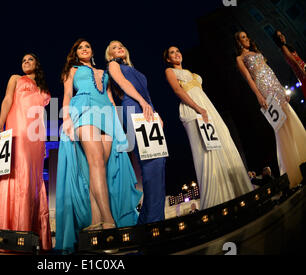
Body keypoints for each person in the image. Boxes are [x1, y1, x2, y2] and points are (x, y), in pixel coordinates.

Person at [56, 39, 142, 253]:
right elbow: (67, 95)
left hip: (107, 115)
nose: (85, 49)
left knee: (100, 170)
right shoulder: (72, 70)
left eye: (87, 46)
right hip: (83, 111)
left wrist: (118, 124)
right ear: (75, 53)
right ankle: (108, 221)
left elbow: (111, 98)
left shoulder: (103, 71)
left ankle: (95, 221)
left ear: (92, 51)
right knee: (95, 164)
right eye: (80, 47)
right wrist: (66, 118)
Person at [164, 46, 253, 210]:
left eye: (178, 51)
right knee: (205, 151)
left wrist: (205, 109)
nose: (176, 53)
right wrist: (198, 108)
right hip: (192, 110)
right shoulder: (170, 71)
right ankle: (216, 200)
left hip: (208, 109)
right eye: (172, 53)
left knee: (224, 141)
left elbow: (201, 93)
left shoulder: (193, 74)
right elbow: (178, 90)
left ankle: (235, 190)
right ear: (168, 59)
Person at [0, 53, 52, 251]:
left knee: (34, 178)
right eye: (23, 60)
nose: (26, 62)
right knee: (17, 173)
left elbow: (42, 115)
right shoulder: (15, 78)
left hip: (37, 136)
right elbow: (6, 100)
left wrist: (45, 141)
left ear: (37, 63)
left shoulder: (44, 87)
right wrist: (0, 124)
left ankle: (31, 232)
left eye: (30, 59)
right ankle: (12, 232)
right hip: (18, 128)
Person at [105, 40, 166, 224]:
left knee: (160, 161)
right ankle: (154, 223)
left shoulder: (132, 67)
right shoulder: (113, 65)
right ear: (110, 54)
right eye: (114, 48)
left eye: (121, 45)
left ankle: (147, 222)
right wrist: (143, 103)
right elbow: (123, 84)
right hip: (134, 107)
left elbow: (146, 92)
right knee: (150, 162)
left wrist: (155, 113)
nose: (119, 48)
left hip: (147, 109)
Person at [235, 31, 306, 188]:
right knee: (281, 125)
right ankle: (292, 169)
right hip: (263, 88)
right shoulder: (240, 59)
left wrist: (280, 86)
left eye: (247, 36)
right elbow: (248, 78)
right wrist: (259, 96)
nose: (247, 39)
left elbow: (269, 69)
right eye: (243, 37)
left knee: (290, 117)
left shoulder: (256, 52)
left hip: (274, 84)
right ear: (239, 42)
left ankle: (303, 158)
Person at [273, 30, 306, 99]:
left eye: (281, 34)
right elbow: (294, 61)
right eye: (279, 36)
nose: (282, 36)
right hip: (301, 70)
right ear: (277, 39)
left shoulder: (286, 46)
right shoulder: (283, 47)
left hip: (303, 67)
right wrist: (302, 71)